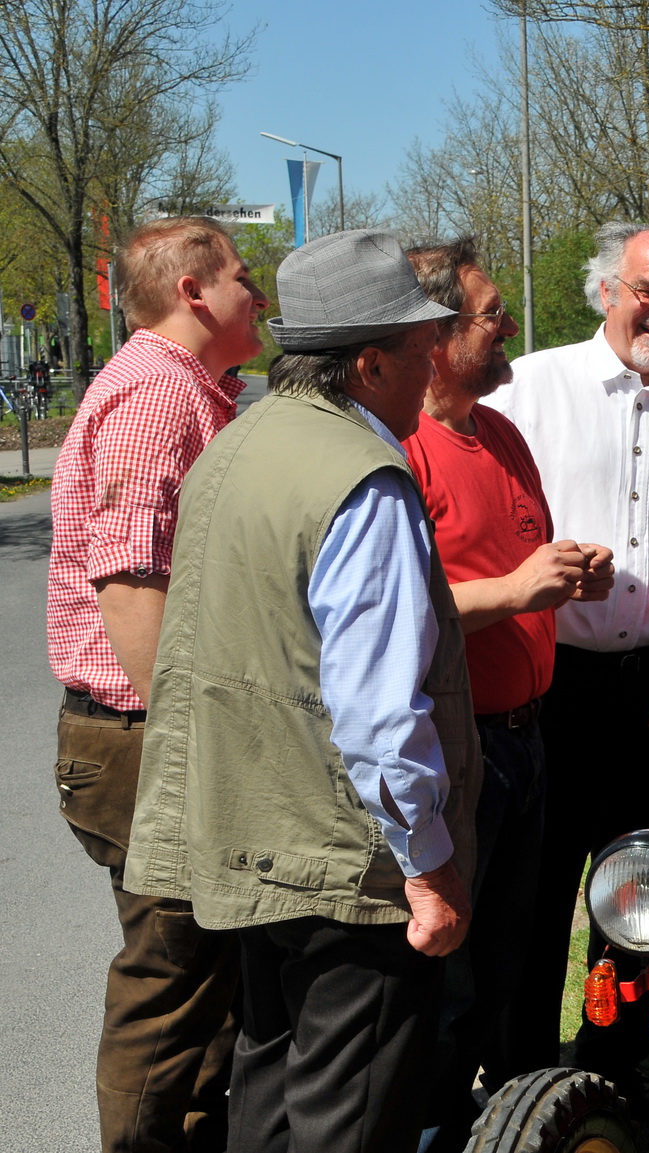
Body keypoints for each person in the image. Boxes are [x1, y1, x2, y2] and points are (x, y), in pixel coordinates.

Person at [125, 229, 482, 1153]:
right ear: (367, 363)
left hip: (249, 844)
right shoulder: (363, 480)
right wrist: (429, 863)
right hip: (344, 870)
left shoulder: (236, 447)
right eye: (418, 348)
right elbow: (378, 710)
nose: (431, 364)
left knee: (272, 1094)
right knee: (347, 1118)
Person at [486, 221, 649, 1107]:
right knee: (533, 888)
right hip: (549, 680)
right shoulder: (530, 388)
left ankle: (613, 1062)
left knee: (646, 885)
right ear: (606, 290)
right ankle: (519, 1065)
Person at [47, 215, 264, 1153]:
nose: (257, 293)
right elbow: (132, 586)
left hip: (146, 729)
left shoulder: (189, 391)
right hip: (143, 732)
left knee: (205, 971)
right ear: (193, 291)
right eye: (243, 276)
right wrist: (193, 736)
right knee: (170, 979)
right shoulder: (151, 400)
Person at [402, 237, 616, 1149]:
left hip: (530, 737)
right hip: (462, 751)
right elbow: (395, 607)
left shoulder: (502, 434)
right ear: (439, 333)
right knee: (445, 985)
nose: (510, 330)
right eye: (493, 316)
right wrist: (516, 592)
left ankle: (514, 1120)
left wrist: (570, 575)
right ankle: (442, 1129)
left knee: (516, 962)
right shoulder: (400, 450)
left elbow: (526, 558)